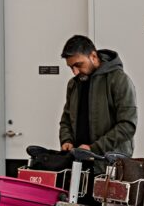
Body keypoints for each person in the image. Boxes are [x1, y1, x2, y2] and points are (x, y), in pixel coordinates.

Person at [59, 35, 137, 176]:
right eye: (71, 67)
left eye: (78, 65)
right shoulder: (73, 84)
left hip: (111, 167)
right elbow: (66, 119)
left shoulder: (119, 80)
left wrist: (94, 148)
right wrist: (66, 140)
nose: (75, 72)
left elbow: (128, 126)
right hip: (79, 165)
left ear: (93, 57)